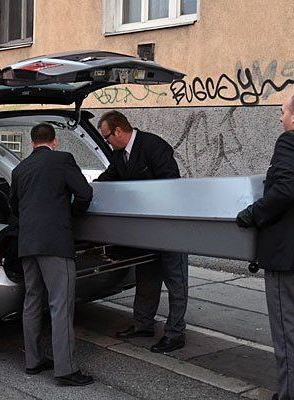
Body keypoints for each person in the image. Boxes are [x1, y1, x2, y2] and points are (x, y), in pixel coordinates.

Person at [96, 110, 189, 353]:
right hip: (145, 231)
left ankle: (175, 333)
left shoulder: (154, 146)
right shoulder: (119, 155)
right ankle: (143, 324)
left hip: (170, 226)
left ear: (118, 131)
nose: (106, 142)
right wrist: (89, 190)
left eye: (106, 137)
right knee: (146, 277)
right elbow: (109, 178)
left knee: (175, 280)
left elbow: (171, 184)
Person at [10, 123, 94, 386]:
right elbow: (85, 193)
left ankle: (33, 361)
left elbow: (14, 206)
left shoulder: (19, 169)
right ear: (54, 141)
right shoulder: (62, 160)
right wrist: (71, 214)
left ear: (32, 142)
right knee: (61, 304)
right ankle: (66, 370)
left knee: (32, 301)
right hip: (55, 242)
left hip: (27, 243)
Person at [236, 92, 294, 400]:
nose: (280, 118)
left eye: (281, 112)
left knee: (289, 330)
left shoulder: (291, 141)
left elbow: (286, 190)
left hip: (289, 256)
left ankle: (293, 394)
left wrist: (253, 214)